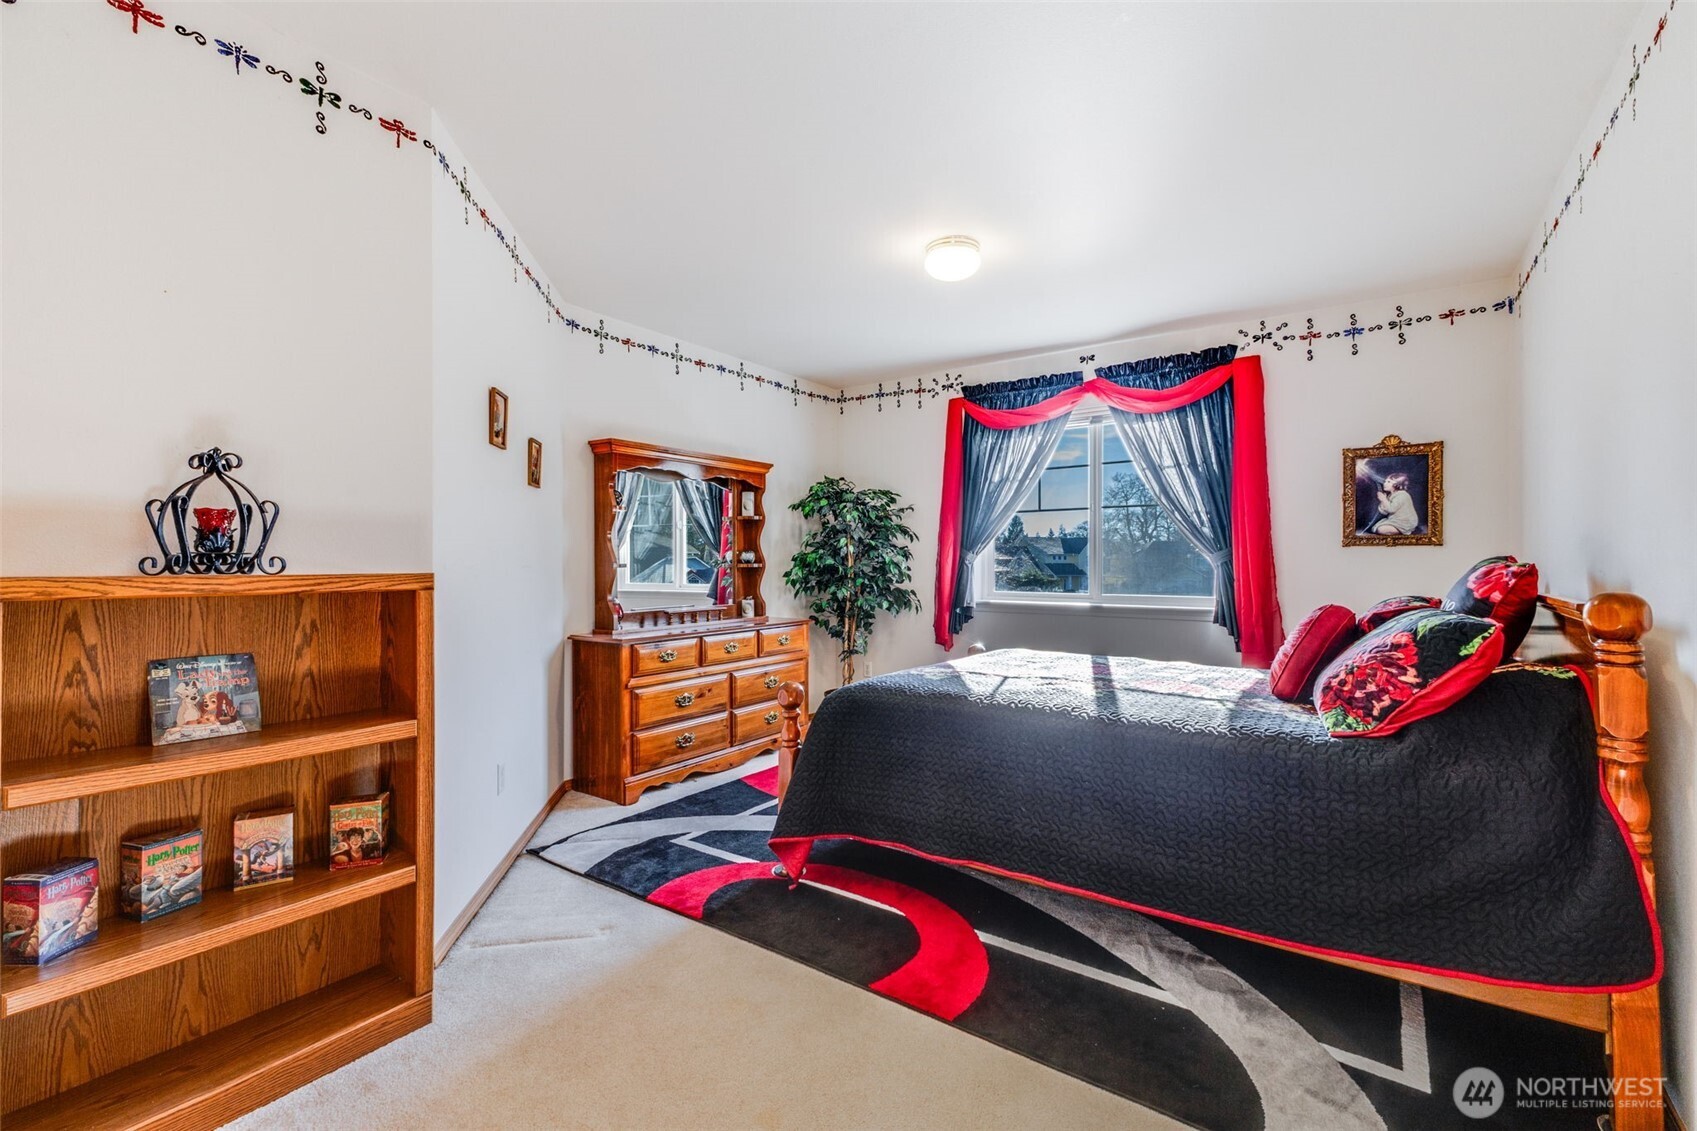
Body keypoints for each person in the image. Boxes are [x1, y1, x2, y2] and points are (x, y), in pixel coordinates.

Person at [1370, 471, 1421, 535]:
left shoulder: (1402, 495)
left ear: (1397, 485)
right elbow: (1384, 512)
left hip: (1405, 522)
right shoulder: (1391, 495)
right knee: (1377, 527)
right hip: (1395, 520)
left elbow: (1391, 509)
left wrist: (1383, 499)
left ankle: (1405, 530)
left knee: (1381, 530)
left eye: (1389, 482)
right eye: (1385, 481)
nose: (1385, 483)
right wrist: (1383, 500)